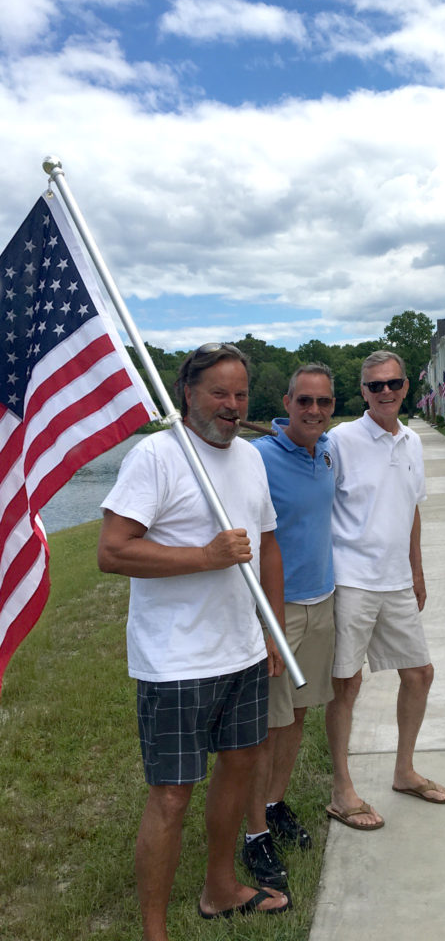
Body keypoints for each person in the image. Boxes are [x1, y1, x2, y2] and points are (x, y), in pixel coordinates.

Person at [97, 343, 290, 941]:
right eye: (219, 394)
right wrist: (204, 557)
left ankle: (220, 887)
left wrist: (274, 632)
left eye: (240, 394)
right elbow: (112, 550)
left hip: (242, 650)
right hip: (174, 660)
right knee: (173, 795)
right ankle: (154, 930)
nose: (232, 406)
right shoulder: (155, 456)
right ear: (189, 395)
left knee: (239, 770)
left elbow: (269, 546)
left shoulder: (252, 459)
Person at [324, 350, 445, 831]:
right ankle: (342, 788)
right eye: (375, 386)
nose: (385, 393)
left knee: (419, 673)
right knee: (347, 683)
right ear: (363, 392)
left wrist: (416, 571)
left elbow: (412, 508)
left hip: (397, 580)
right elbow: (319, 506)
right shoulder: (341, 440)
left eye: (393, 383)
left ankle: (404, 771)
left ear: (404, 387)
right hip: (351, 579)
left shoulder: (412, 443)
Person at [242, 363, 336, 879]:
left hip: (322, 602)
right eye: (305, 401)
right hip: (276, 612)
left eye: (323, 402)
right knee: (265, 729)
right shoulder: (258, 458)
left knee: (297, 717)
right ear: (286, 402)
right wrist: (265, 622)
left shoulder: (325, 452)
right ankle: (253, 834)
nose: (314, 410)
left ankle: (275, 805)